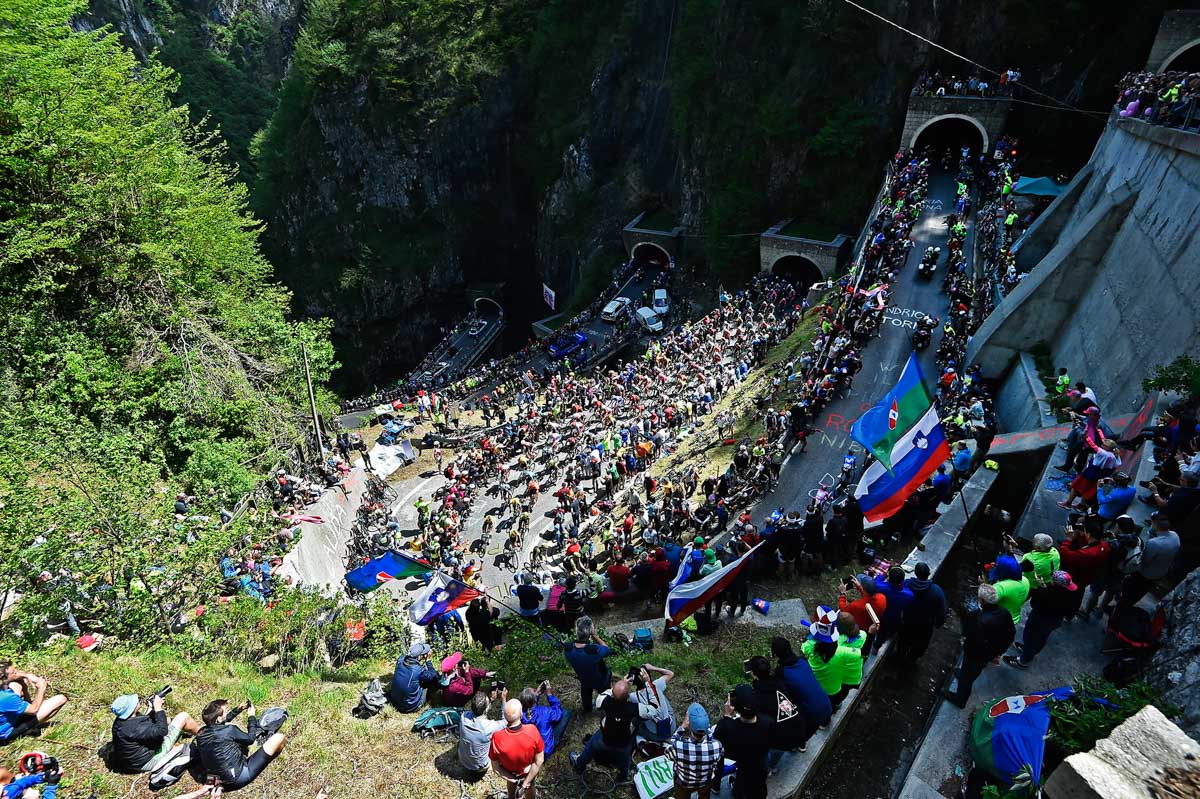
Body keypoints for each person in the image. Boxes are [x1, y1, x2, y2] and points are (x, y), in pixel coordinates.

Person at [569, 679, 654, 783]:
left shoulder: (606, 701)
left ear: (612, 694)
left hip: (604, 740)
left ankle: (579, 764)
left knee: (591, 744)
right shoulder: (634, 708)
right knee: (626, 759)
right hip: (622, 745)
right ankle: (622, 778)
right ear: (628, 696)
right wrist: (648, 685)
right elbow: (654, 711)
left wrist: (619, 684)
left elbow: (600, 698)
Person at [944, 584, 1015, 709]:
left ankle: (960, 699)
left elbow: (969, 636)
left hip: (976, 655)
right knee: (972, 671)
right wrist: (997, 653)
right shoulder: (1004, 612)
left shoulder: (979, 620)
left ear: (981, 601)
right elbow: (1011, 634)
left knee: (967, 678)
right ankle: (966, 675)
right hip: (989, 653)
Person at [194, 698, 287, 790]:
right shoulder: (229, 730)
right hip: (237, 779)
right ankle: (267, 759)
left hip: (215, 781)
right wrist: (251, 717)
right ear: (218, 718)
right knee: (279, 738)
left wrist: (238, 709)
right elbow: (250, 739)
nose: (228, 711)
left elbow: (220, 723)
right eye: (226, 711)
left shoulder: (200, 733)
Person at [1003, 571, 1082, 668]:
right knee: (1041, 638)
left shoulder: (1047, 593)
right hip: (1054, 621)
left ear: (1056, 583)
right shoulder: (1070, 594)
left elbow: (1034, 604)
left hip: (1039, 619)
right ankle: (1031, 651)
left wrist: (1041, 587)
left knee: (1030, 637)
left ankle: (1023, 661)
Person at [109, 691, 201, 773]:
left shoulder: (122, 721)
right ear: (131, 709)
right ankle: (205, 735)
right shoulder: (135, 727)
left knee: (167, 720)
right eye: (135, 701)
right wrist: (158, 708)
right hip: (148, 762)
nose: (138, 700)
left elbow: (145, 722)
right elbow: (162, 731)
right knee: (183, 717)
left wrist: (152, 709)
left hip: (132, 761)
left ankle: (182, 739)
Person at [746, 656, 811, 762]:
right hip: (800, 729)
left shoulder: (757, 695)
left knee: (771, 746)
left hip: (782, 741)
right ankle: (800, 746)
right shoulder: (780, 682)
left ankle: (771, 767)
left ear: (753, 674)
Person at [712, 685, 771, 799]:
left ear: (734, 707)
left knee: (742, 789)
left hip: (742, 763)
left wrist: (727, 715)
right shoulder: (767, 722)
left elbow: (717, 736)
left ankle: (722, 786)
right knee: (758, 787)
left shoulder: (728, 727)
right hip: (759, 764)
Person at [769, 637, 831, 732]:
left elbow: (784, 692)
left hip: (813, 714)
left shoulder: (781, 671)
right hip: (827, 704)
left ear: (776, 653)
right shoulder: (802, 660)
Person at [1118, 512, 1180, 607]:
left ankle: (1122, 606)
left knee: (1130, 592)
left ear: (1155, 525)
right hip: (1161, 572)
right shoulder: (1175, 536)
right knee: (1141, 592)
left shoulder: (1154, 543)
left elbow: (1144, 561)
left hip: (1145, 574)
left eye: (1152, 523)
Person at [665, 703, 725, 799]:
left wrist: (682, 727)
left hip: (683, 783)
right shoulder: (717, 746)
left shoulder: (678, 746)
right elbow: (717, 758)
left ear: (689, 726)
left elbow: (667, 752)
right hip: (704, 782)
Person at [490, 698, 544, 799]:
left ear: (505, 717)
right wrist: (525, 783)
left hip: (510, 773)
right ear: (521, 715)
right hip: (529, 773)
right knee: (531, 791)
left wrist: (513, 779)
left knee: (511, 794)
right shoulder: (532, 730)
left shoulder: (497, 737)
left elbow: (496, 768)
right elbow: (539, 761)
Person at [0, 662, 67, 743]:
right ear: (3, 677)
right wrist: (41, 688)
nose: (17, 672)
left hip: (6, 717)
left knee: (16, 685)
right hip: (6, 733)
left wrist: (28, 675)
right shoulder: (5, 697)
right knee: (61, 699)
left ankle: (23, 711)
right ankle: (26, 730)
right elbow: (34, 710)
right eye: (14, 672)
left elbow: (16, 676)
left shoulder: (3, 689)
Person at [896, 562, 947, 664]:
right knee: (920, 646)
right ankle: (911, 660)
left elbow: (898, 599)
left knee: (903, 641)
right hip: (925, 626)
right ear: (928, 574)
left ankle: (900, 656)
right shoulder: (936, 591)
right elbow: (942, 611)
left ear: (915, 573)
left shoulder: (906, 584)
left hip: (907, 622)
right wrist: (938, 623)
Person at [563, 616, 612, 714]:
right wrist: (595, 636)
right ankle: (607, 706)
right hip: (600, 679)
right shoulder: (593, 650)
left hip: (584, 678)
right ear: (590, 632)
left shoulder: (568, 649)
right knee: (605, 688)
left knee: (585, 691)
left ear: (577, 631)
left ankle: (587, 708)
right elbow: (607, 650)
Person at [458, 690, 506, 777]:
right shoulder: (489, 727)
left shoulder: (463, 717)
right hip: (480, 767)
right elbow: (506, 721)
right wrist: (504, 700)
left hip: (463, 761)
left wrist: (491, 700)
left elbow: (480, 710)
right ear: (487, 708)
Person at [520, 682, 570, 757]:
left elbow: (530, 707)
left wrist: (536, 694)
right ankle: (555, 741)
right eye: (534, 690)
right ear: (533, 700)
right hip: (544, 751)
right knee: (565, 713)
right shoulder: (545, 712)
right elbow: (558, 713)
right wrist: (550, 695)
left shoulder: (520, 714)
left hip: (530, 751)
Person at [871, 566, 913, 652]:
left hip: (879, 615)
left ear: (889, 577)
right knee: (886, 632)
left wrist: (882, 575)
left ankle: (875, 644)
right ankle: (879, 644)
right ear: (902, 580)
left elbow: (874, 581)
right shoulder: (909, 595)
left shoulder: (879, 586)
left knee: (878, 632)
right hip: (894, 618)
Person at [631, 663, 676, 745]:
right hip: (671, 728)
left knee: (636, 717)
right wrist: (653, 668)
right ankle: (665, 740)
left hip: (654, 735)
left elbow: (619, 695)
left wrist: (625, 682)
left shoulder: (633, 697)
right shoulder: (657, 685)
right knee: (662, 697)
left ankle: (642, 741)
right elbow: (670, 673)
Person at [389, 642, 440, 712]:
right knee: (432, 677)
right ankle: (438, 697)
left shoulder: (400, 660)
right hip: (410, 707)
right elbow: (432, 674)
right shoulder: (419, 670)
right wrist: (428, 660)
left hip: (395, 703)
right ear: (419, 656)